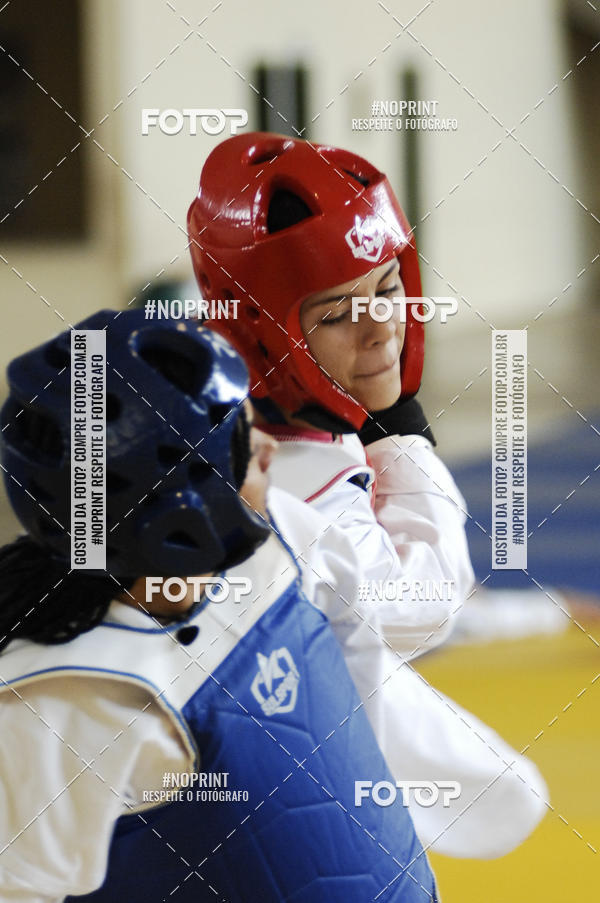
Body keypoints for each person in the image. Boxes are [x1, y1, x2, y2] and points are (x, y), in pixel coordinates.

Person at [186, 131, 549, 857]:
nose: (382, 325)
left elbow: (361, 599)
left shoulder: (266, 443)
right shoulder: (286, 478)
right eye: (336, 312)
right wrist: (401, 427)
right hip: (300, 833)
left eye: (386, 289)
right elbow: (421, 605)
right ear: (263, 337)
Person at [0, 310, 439, 902]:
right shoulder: (68, 697)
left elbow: (409, 610)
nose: (268, 448)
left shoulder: (280, 536)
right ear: (174, 503)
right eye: (240, 438)